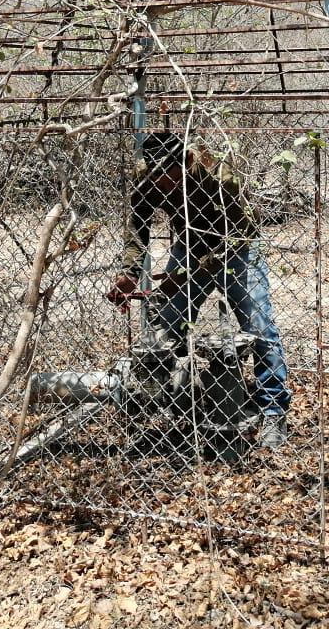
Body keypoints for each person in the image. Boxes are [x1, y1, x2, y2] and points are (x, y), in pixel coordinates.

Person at [106, 132, 291, 448]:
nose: (163, 183)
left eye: (169, 176)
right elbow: (138, 226)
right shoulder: (145, 175)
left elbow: (243, 227)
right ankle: (168, 401)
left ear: (187, 162)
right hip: (190, 246)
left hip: (238, 247)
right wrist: (129, 274)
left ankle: (273, 411)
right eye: (156, 177)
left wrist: (192, 272)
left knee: (258, 326)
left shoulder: (214, 169)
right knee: (168, 323)